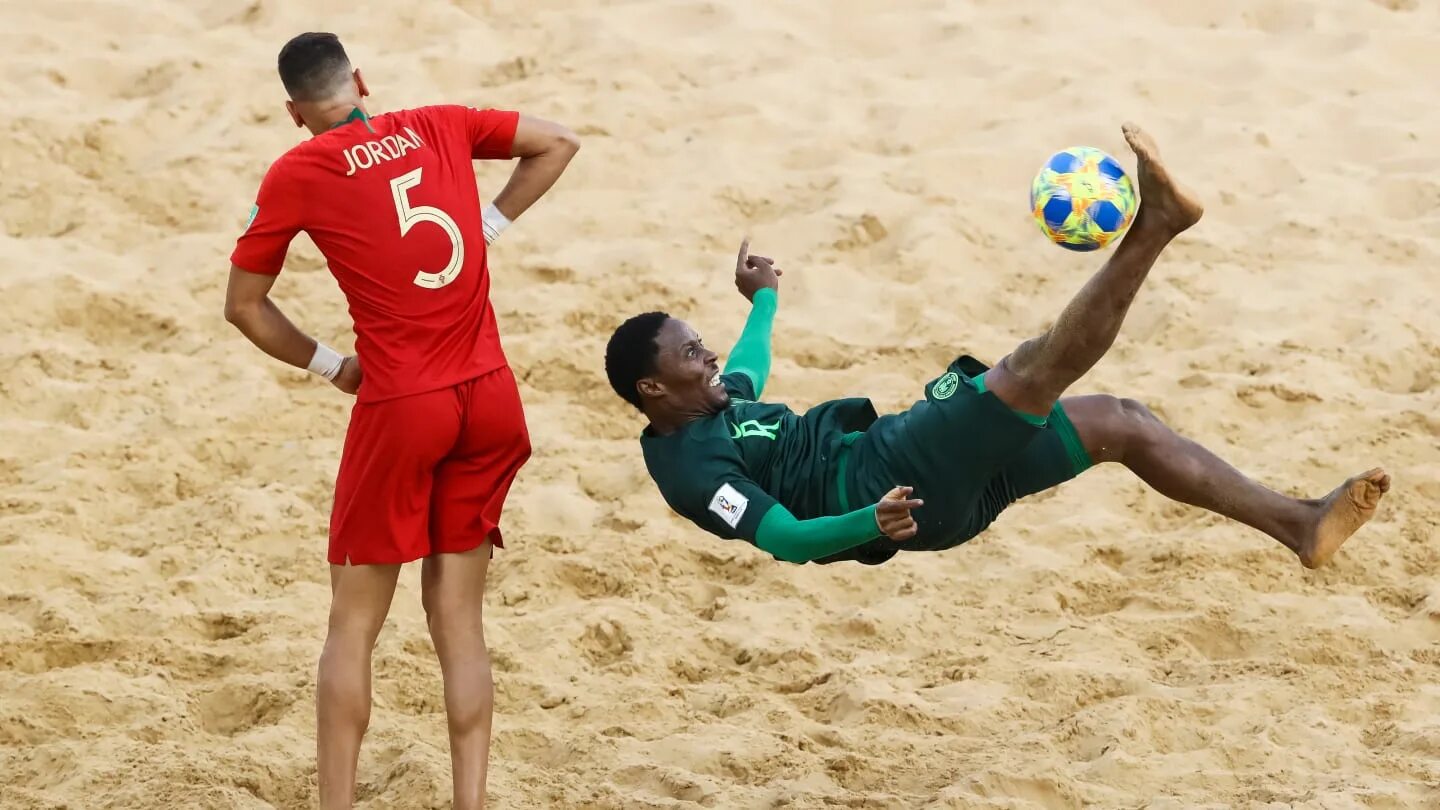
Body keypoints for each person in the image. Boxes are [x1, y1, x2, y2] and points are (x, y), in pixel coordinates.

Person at [604, 124, 1388, 570]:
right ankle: (1154, 226)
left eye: (699, 344)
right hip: (887, 484)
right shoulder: (692, 469)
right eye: (688, 353)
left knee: (1122, 422)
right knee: (1028, 371)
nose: (707, 356)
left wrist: (766, 296)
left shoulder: (706, 401)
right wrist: (871, 521)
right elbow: (784, 539)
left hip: (909, 482)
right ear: (652, 389)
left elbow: (749, 363)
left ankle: (1300, 525)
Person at [224, 32, 579, 810]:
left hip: (401, 401)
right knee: (459, 619)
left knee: (353, 626)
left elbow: (244, 307)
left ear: (294, 112)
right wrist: (489, 227)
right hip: (489, 397)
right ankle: (470, 801)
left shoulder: (297, 171)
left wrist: (332, 365)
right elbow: (558, 141)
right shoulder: (442, 122)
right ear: (361, 79)